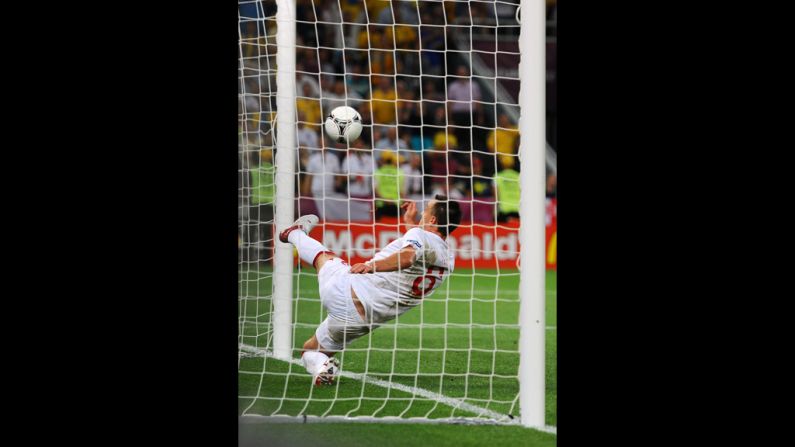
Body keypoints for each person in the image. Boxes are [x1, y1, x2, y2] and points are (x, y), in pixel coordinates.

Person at [278, 195, 462, 385]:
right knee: (310, 351)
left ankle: (293, 233)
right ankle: (322, 367)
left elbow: (409, 256)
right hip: (361, 322)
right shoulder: (448, 258)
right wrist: (409, 221)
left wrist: (372, 266)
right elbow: (423, 247)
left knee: (323, 257)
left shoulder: (419, 238)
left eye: (426, 209)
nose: (422, 212)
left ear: (432, 220)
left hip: (349, 292)